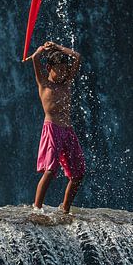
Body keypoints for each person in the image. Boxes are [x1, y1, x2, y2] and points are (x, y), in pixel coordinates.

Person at [28, 41, 85, 214]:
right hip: (52, 128)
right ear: (49, 68)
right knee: (50, 170)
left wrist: (59, 47)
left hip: (68, 130)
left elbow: (78, 57)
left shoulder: (66, 82)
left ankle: (65, 207)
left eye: (65, 69)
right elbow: (36, 58)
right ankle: (37, 207)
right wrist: (42, 49)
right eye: (59, 69)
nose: (63, 72)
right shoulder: (44, 83)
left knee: (78, 173)